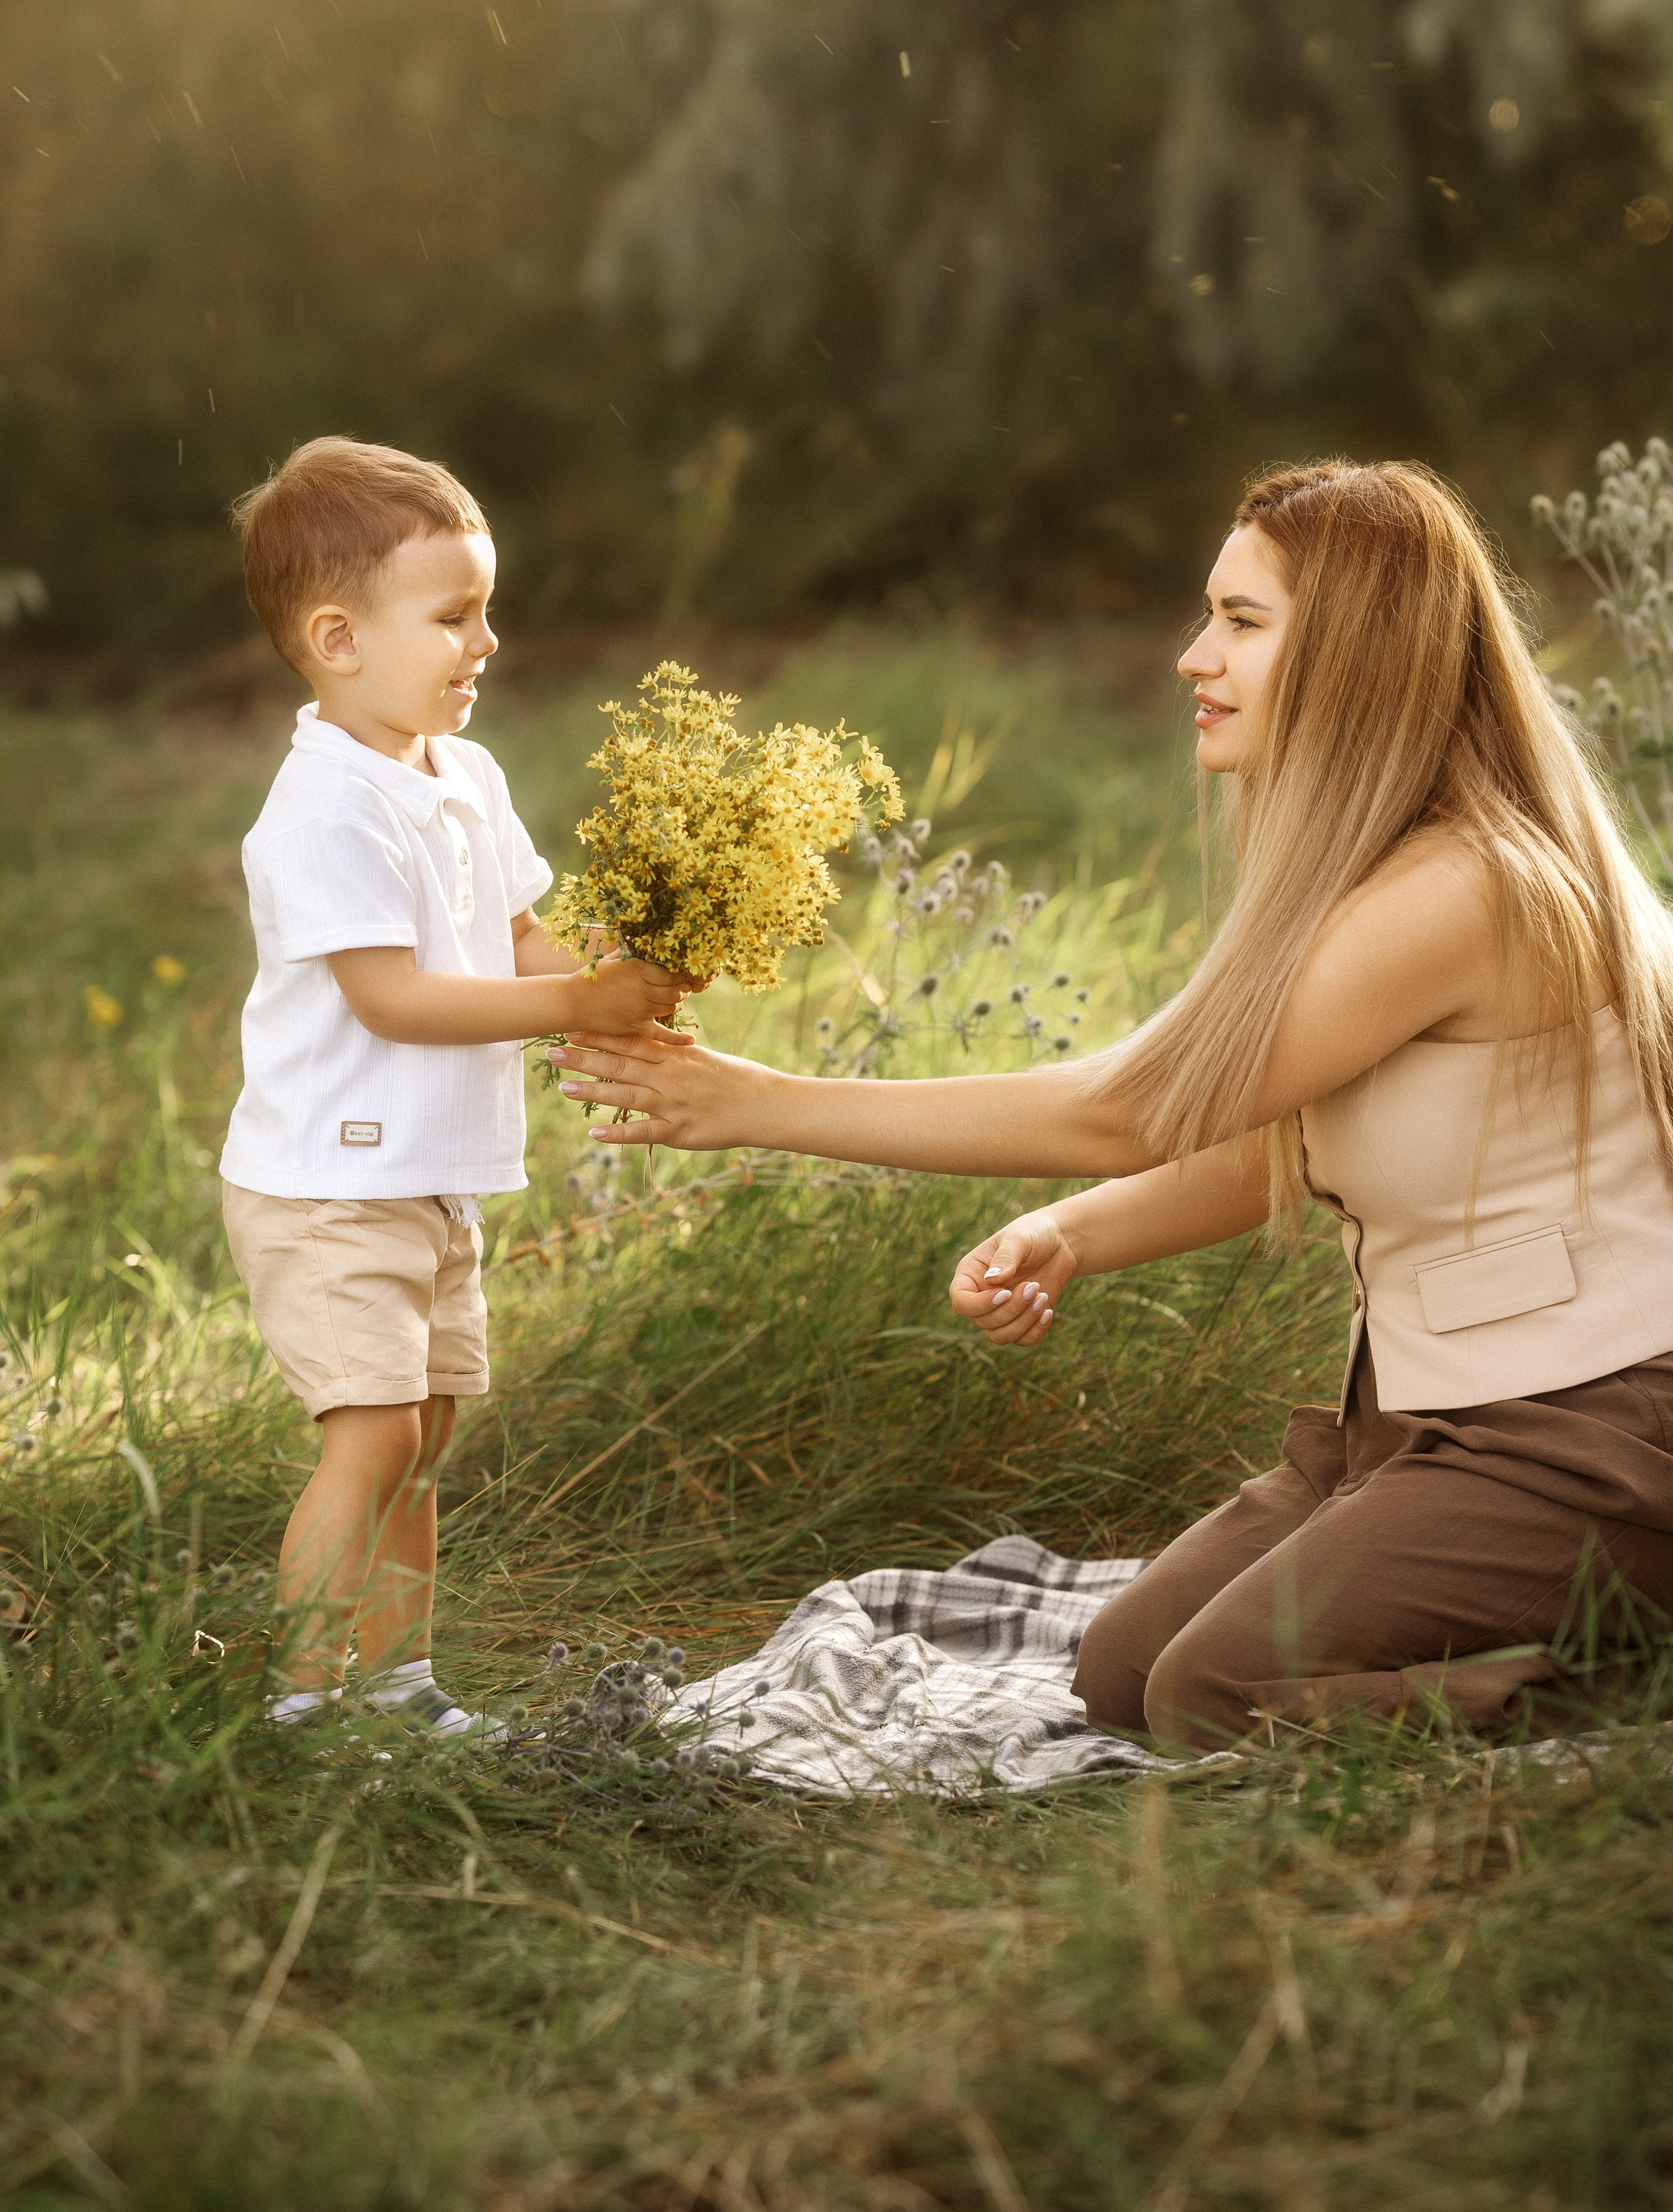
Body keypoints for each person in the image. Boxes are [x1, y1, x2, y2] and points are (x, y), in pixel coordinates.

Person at [547, 459, 1673, 1751]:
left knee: (1211, 1695)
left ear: (1360, 655)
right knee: (1119, 1671)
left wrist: (751, 1100)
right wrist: (1075, 1235)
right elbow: (1272, 1147)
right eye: (1209, 614)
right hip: (1421, 1421)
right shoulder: (1373, 877)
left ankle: (1627, 1690)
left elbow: (1135, 1109)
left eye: (1242, 623)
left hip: (1591, 1438)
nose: (1195, 656)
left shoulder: (1461, 890)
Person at [220, 436, 690, 1735]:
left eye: (487, 609)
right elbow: (396, 997)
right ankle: (309, 1708)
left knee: (421, 1443)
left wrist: (613, 977)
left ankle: (400, 1685)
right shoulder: (325, 808)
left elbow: (519, 935)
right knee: (367, 1441)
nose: (485, 641)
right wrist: (569, 1006)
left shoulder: (461, 774)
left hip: (424, 1179)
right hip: (329, 1183)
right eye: (454, 616)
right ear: (338, 638)